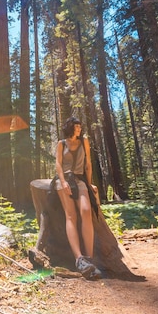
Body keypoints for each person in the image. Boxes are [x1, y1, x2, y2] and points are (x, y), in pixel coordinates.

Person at [55, 116, 101, 279]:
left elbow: (88, 164)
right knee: (71, 215)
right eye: (76, 127)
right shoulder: (61, 144)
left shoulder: (84, 142)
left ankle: (89, 259)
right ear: (70, 128)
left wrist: (89, 184)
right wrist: (62, 182)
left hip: (80, 180)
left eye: (80, 127)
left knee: (86, 211)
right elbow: (58, 164)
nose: (79, 129)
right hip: (65, 181)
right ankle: (79, 259)